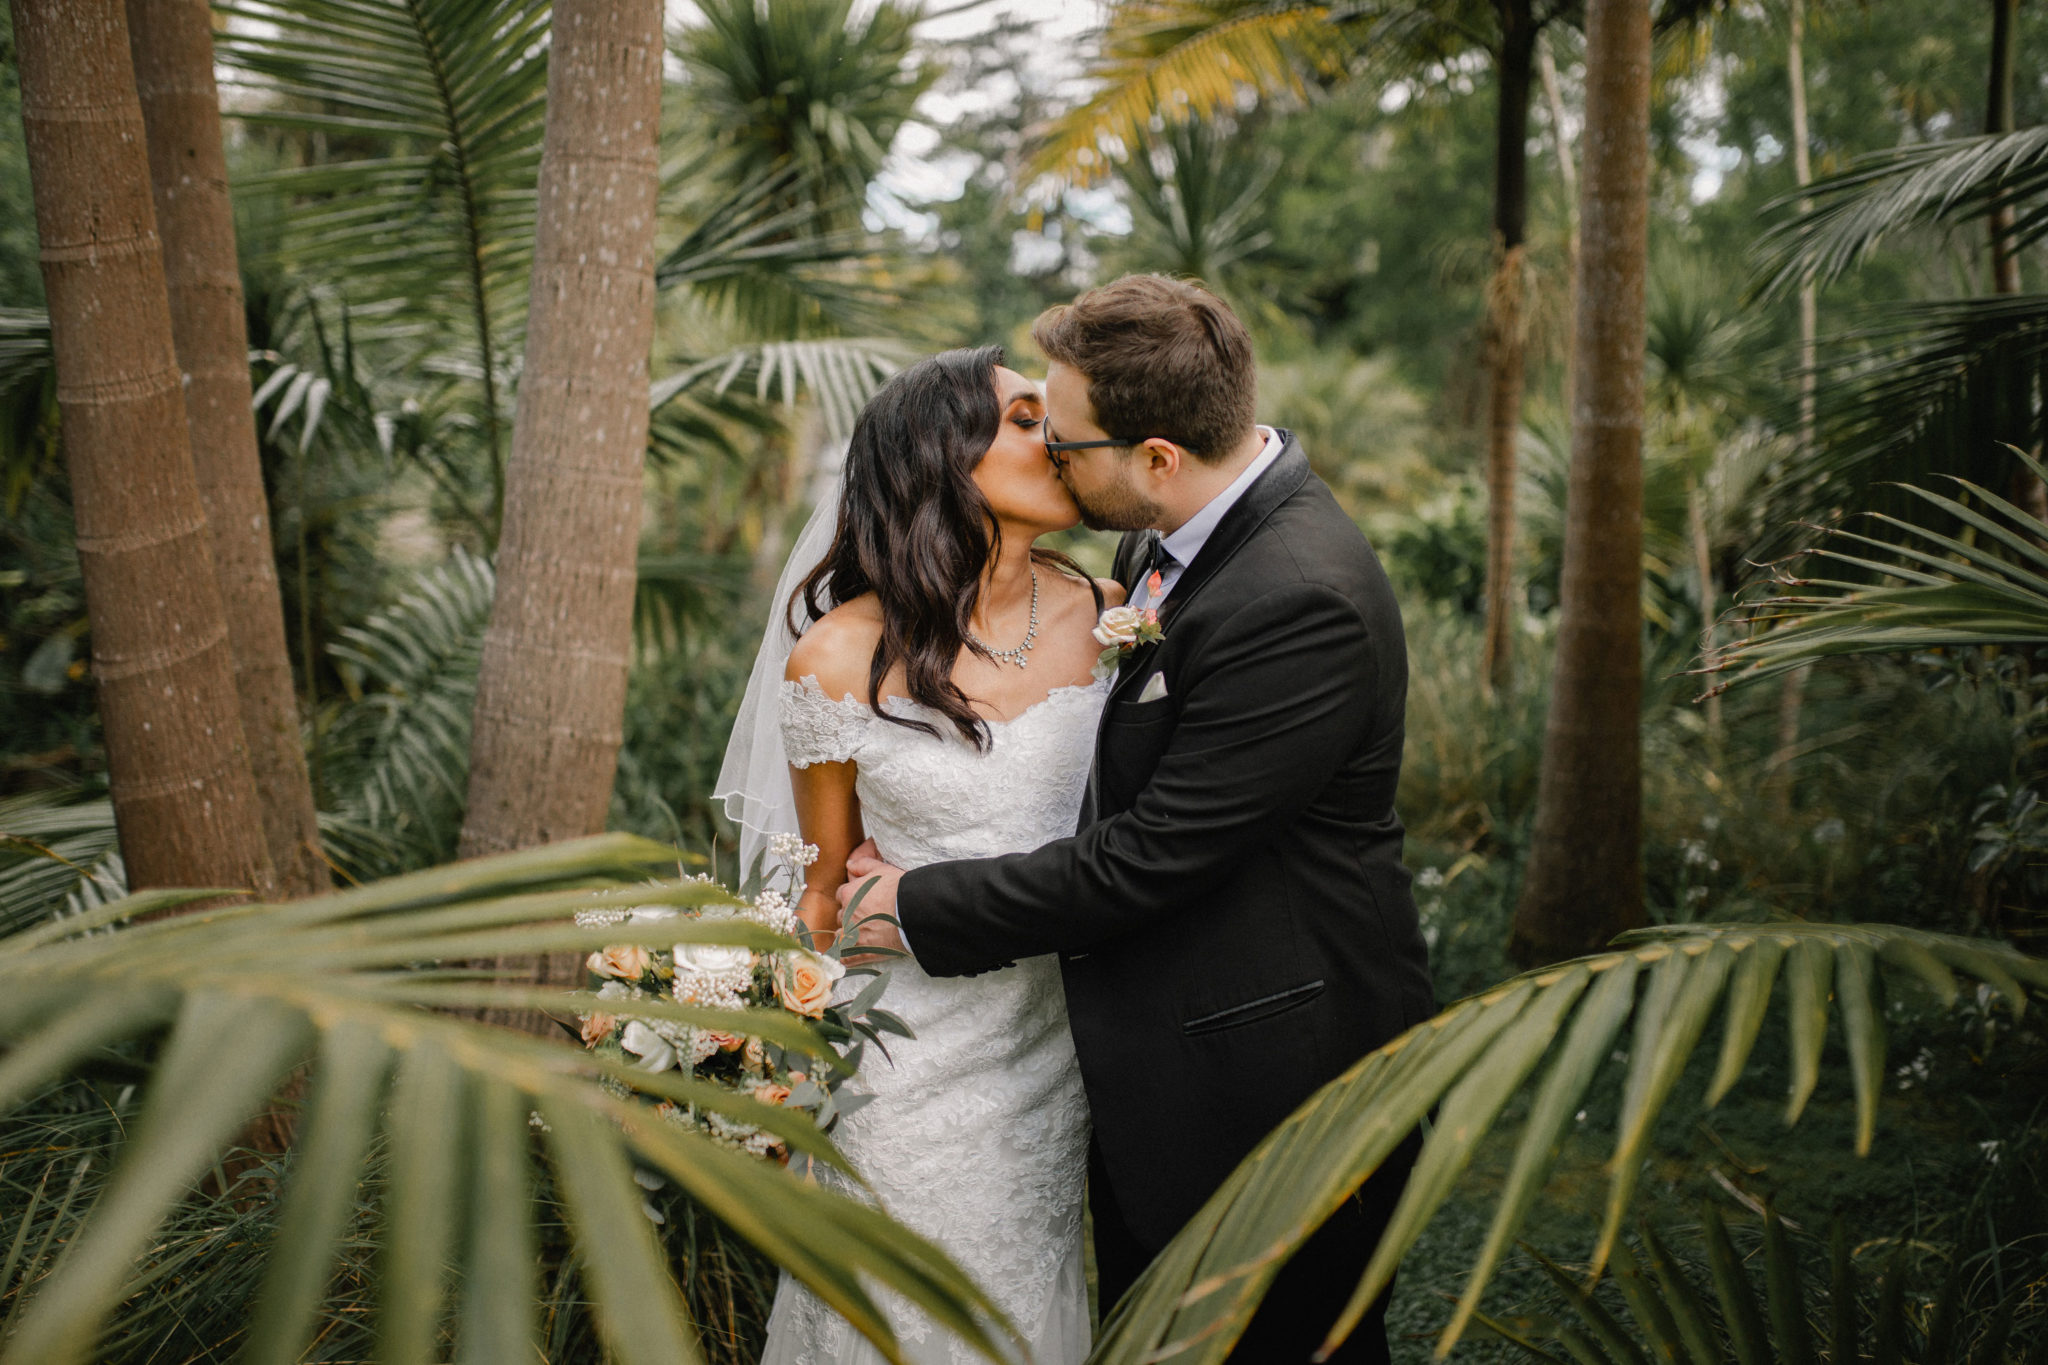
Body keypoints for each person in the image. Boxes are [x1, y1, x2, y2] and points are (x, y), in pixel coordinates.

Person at [834, 275, 1438, 1363]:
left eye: (1063, 443)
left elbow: (1149, 857)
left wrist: (911, 902)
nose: (1051, 459)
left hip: (1276, 1086)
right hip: (1154, 1069)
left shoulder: (1298, 595)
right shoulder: (1159, 545)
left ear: (1155, 456)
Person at [722, 344, 1117, 1365]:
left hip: (1063, 1048)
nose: (1059, 434)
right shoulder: (838, 658)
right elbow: (816, 886)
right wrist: (762, 1072)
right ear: (944, 457)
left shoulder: (1113, 617)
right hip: (906, 1066)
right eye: (1025, 418)